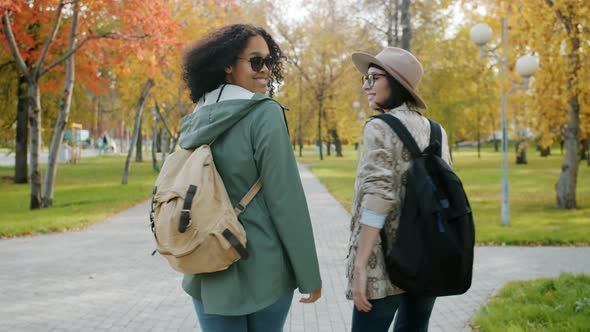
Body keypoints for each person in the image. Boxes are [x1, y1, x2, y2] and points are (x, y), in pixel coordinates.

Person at [178, 24, 322, 332]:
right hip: (263, 266)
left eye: (269, 61)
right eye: (256, 61)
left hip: (208, 263)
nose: (266, 70)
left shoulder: (198, 115)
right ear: (228, 64)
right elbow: (286, 200)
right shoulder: (265, 113)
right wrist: (309, 274)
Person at [346, 47, 452, 331]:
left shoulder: (379, 127)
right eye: (365, 78)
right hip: (427, 254)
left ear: (395, 81)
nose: (366, 85)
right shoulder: (436, 131)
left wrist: (360, 264)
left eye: (373, 77)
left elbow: (378, 195)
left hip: (384, 259)